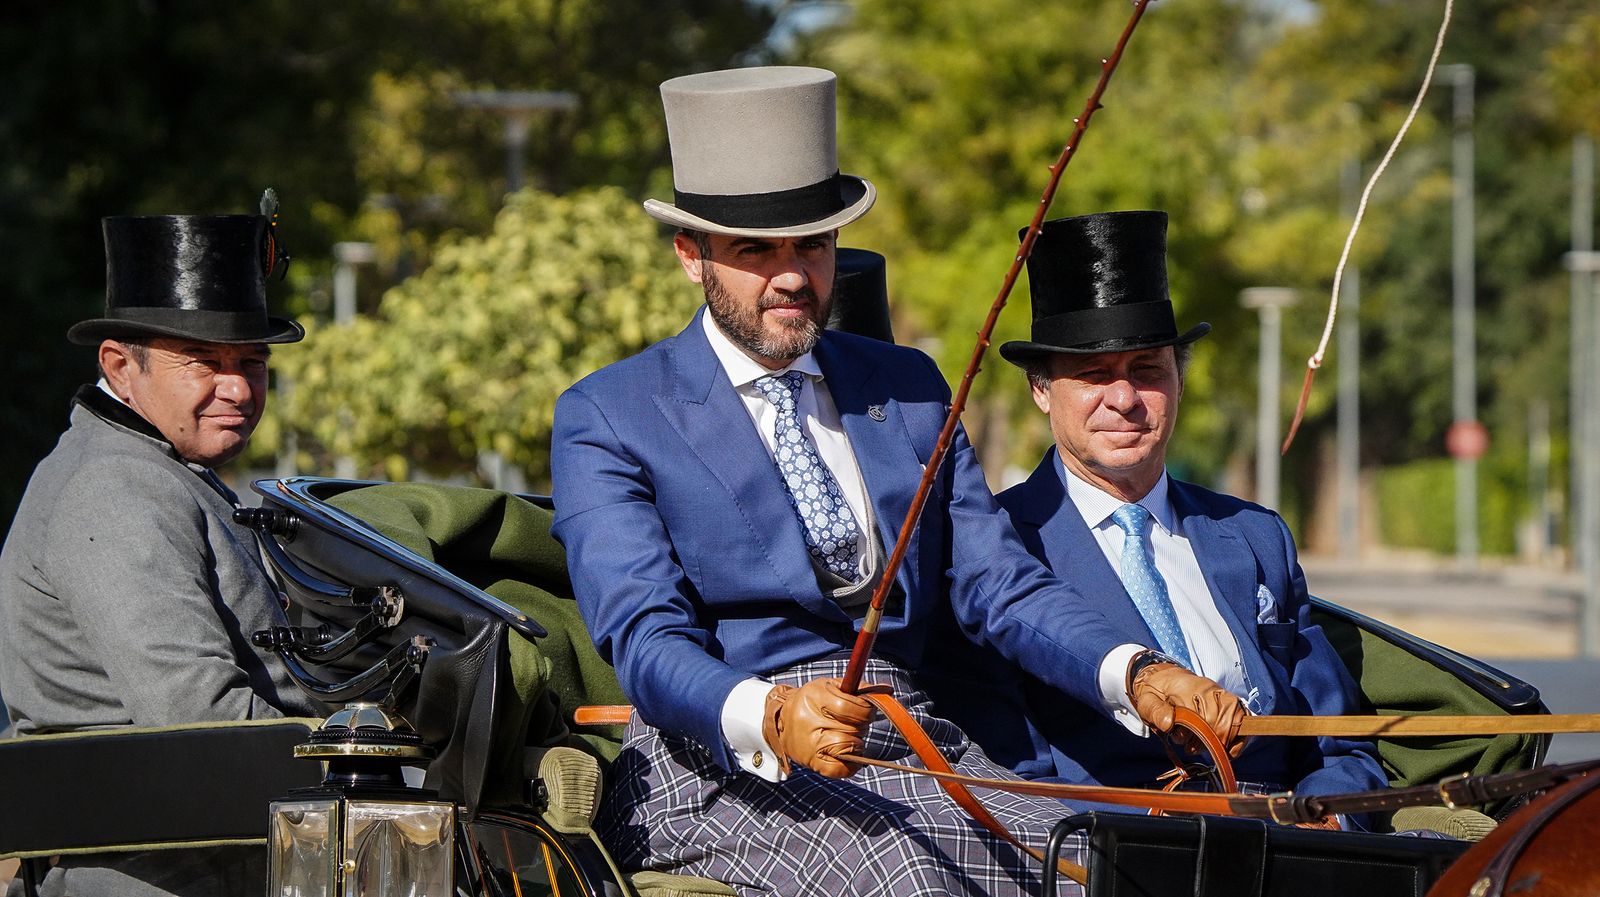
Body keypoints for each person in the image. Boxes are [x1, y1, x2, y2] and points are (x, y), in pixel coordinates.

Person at [550, 67, 1245, 897]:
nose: (792, 274)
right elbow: (645, 638)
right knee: (912, 880)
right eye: (754, 251)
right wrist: (771, 715)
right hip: (715, 761)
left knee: (1107, 868)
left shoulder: (907, 385)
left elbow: (1001, 584)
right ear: (690, 255)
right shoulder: (610, 413)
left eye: (811, 243)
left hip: (909, 737)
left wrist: (1132, 669)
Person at [936, 210, 1386, 827]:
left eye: (1147, 370)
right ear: (1041, 390)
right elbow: (1015, 778)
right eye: (1093, 376)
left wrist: (1330, 823)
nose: (1123, 399)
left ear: (1179, 380)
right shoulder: (997, 555)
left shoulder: (1255, 537)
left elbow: (1339, 740)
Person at [0, 209, 323, 895]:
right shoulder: (115, 487)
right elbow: (203, 720)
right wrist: (367, 751)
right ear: (120, 364)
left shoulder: (159, 466)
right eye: (203, 362)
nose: (237, 388)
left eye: (253, 362)